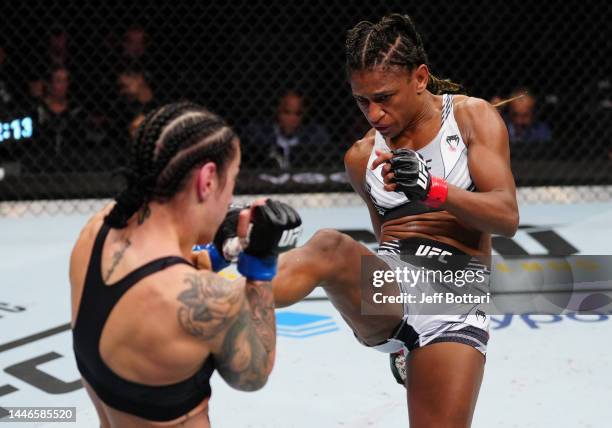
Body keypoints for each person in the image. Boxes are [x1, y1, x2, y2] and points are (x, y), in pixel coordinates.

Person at [234, 13, 518, 428]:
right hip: (393, 285)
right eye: (362, 100)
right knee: (329, 246)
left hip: (455, 297)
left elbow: (506, 216)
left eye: (384, 97)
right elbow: (382, 236)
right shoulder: (360, 156)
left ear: (420, 78)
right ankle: (220, 299)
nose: (374, 113)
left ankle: (410, 350)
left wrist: (432, 189)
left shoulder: (471, 118)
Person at [69, 102, 302, 427]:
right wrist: (259, 266)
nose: (232, 195)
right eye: (232, 181)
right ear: (207, 180)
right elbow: (254, 373)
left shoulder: (97, 230)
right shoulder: (208, 297)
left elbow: (158, 273)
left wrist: (224, 251)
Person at [242, 89, 331, 170]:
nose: (292, 119)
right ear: (276, 110)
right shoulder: (260, 133)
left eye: (298, 113)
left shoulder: (315, 135)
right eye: (286, 113)